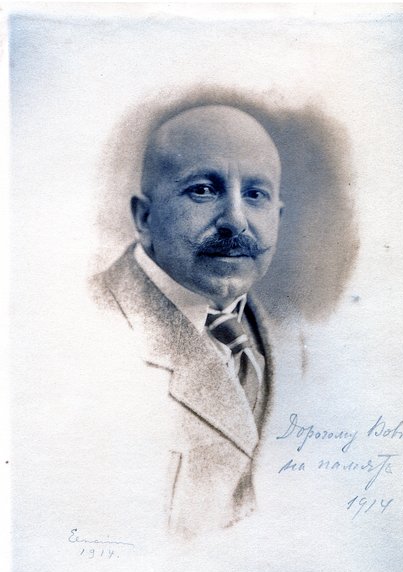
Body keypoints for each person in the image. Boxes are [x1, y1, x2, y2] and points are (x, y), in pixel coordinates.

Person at [91, 104, 285, 538]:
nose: (235, 220)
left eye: (256, 194)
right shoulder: (82, 328)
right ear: (144, 218)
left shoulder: (296, 346)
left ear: (278, 216)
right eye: (202, 190)